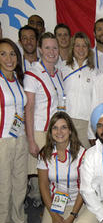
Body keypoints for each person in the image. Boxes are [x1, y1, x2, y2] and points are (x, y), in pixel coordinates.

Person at [0, 38, 36, 223]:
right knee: (4, 186)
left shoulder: (18, 80)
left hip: (20, 138)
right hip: (3, 141)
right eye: (3, 54)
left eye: (12, 53)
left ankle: (19, 221)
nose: (9, 58)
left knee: (20, 183)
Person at [24, 32, 65, 207]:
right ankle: (48, 213)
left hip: (58, 133)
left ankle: (55, 209)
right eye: (47, 47)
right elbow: (29, 108)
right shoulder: (32, 74)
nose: (51, 51)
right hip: (41, 132)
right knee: (44, 176)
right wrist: (31, 140)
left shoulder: (59, 73)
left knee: (56, 175)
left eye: (54, 47)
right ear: (40, 49)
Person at [38, 112, 86, 223]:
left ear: (70, 130)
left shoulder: (82, 153)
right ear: (50, 132)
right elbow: (43, 185)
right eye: (55, 128)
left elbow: (84, 189)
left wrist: (72, 216)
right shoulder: (44, 154)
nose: (59, 132)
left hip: (77, 204)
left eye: (64, 127)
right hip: (55, 204)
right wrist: (53, 213)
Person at [61, 32, 96, 149]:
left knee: (83, 160)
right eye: (77, 45)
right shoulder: (63, 68)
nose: (81, 49)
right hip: (66, 121)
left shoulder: (95, 72)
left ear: (88, 49)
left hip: (86, 123)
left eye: (84, 46)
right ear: (72, 47)